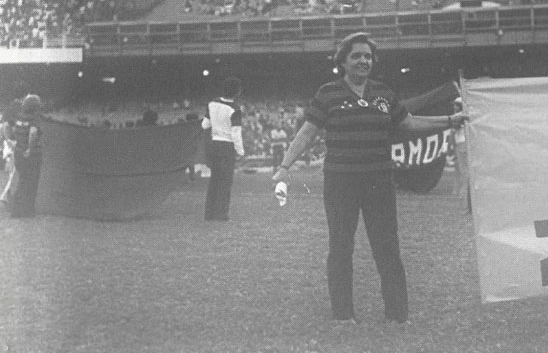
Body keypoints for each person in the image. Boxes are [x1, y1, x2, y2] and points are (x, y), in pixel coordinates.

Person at [272, 32, 468, 324]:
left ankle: (397, 313)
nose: (363, 61)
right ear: (344, 61)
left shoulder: (383, 94)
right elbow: (307, 133)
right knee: (341, 246)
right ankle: (343, 314)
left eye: (367, 56)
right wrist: (285, 166)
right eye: (356, 56)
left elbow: (410, 124)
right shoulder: (328, 93)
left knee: (387, 246)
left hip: (379, 181)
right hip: (340, 182)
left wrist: (450, 121)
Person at [201, 76, 244, 221]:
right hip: (227, 147)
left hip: (213, 145)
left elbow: (205, 125)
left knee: (214, 180)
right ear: (237, 92)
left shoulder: (211, 104)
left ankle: (209, 213)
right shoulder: (235, 109)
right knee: (225, 182)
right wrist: (241, 151)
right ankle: (221, 214)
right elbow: (236, 133)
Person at [11, 94, 44, 218]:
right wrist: (30, 148)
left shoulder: (20, 117)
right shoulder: (34, 118)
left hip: (19, 152)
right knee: (31, 183)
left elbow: (13, 130)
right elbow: (33, 133)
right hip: (32, 155)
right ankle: (26, 211)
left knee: (22, 180)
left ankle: (18, 209)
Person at [450, 97, 471, 214]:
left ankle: (465, 204)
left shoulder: (458, 117)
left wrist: (451, 147)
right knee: (465, 173)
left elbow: (452, 135)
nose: (454, 107)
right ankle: (466, 202)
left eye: (456, 105)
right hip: (465, 144)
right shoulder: (466, 115)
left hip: (461, 144)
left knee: (465, 174)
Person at [0, 100, 19, 205]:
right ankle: (5, 196)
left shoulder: (8, 110)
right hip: (10, 144)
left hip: (6, 144)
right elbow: (7, 125)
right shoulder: (14, 113)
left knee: (7, 171)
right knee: (11, 171)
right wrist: (8, 140)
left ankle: (6, 195)